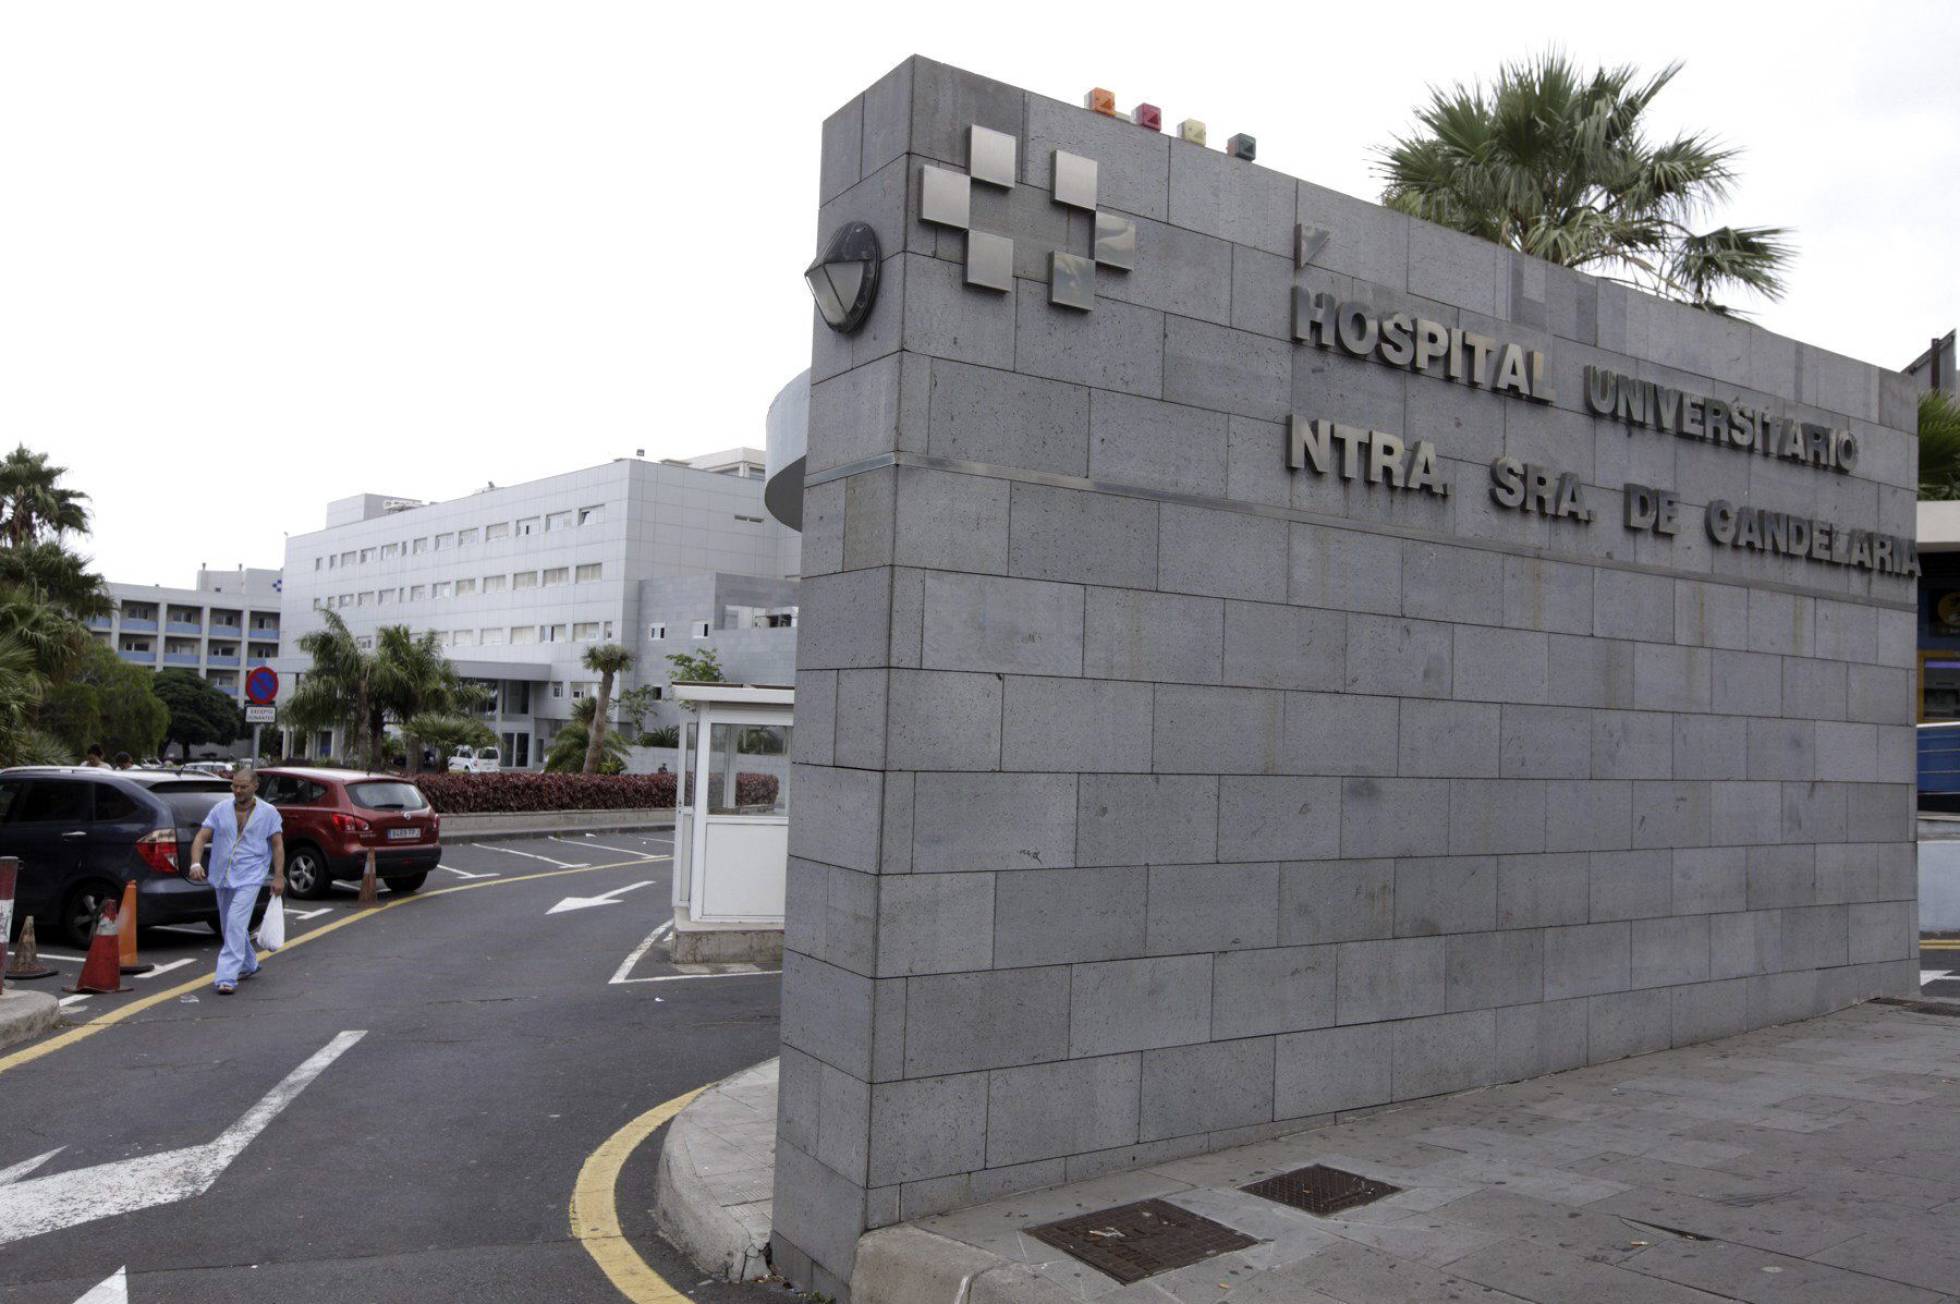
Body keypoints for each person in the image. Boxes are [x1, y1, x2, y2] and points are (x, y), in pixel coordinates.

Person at [187, 765, 285, 994]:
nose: (237, 790)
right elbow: (201, 837)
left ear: (255, 786)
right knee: (229, 925)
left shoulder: (269, 812)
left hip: (251, 876)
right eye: (234, 786)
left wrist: (279, 876)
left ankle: (226, 977)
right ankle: (249, 963)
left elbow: (278, 845)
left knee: (234, 922)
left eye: (243, 786)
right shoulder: (220, 809)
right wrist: (195, 863)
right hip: (222, 876)